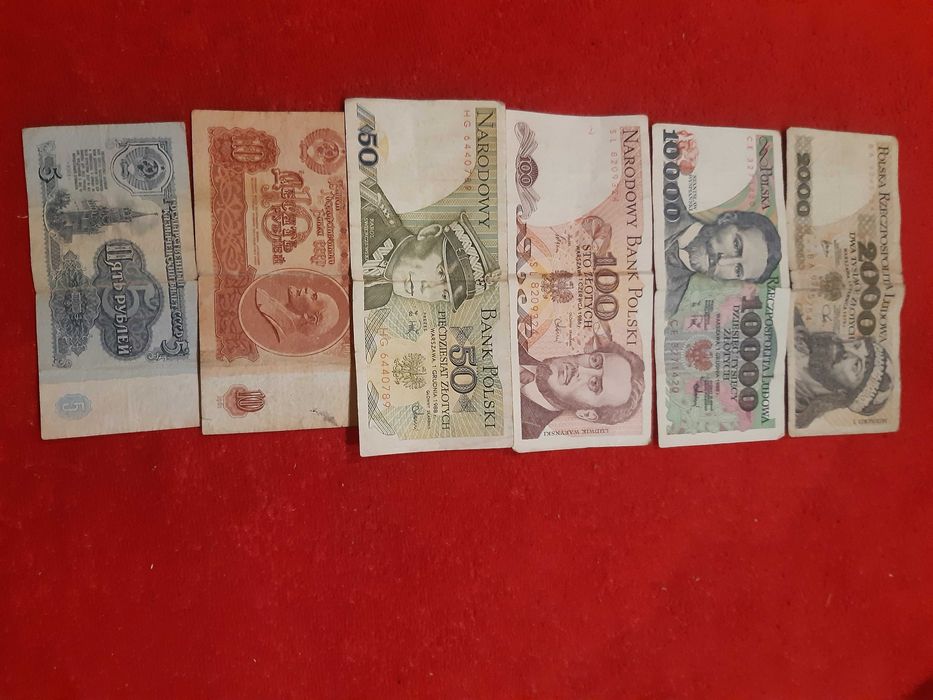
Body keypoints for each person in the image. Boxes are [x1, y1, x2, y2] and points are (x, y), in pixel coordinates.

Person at [662, 191, 782, 315]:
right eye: (736, 245)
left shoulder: (668, 304)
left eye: (738, 270)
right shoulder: (667, 198)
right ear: (727, 220)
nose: (723, 261)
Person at [362, 212, 498, 311]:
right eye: (441, 272)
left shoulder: (379, 297)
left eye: (444, 294)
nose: (427, 290)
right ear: (429, 233)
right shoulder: (372, 215)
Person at [517, 340, 645, 440]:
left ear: (587, 414)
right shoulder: (517, 342)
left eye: (595, 383)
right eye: (595, 361)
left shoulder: (525, 433)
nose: (580, 369)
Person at [793, 310, 893, 428]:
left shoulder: (790, 411)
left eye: (856, 365)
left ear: (841, 394)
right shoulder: (794, 320)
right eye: (856, 345)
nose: (846, 348)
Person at [255, 284, 339, 343]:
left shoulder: (265, 306)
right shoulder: (269, 303)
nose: (308, 289)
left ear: (311, 318)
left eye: (313, 296)